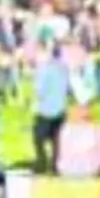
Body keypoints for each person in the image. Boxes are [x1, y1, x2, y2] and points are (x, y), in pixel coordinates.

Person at [32, 41, 72, 174]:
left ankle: (42, 163)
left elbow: (39, 90)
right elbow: (68, 89)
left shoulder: (44, 69)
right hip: (60, 108)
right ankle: (55, 166)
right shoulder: (64, 68)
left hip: (45, 109)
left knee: (38, 139)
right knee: (57, 140)